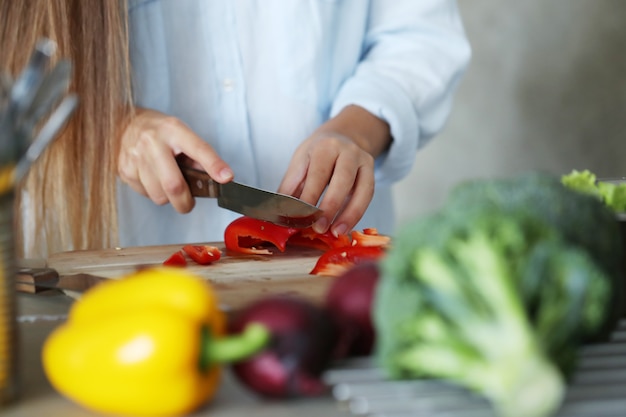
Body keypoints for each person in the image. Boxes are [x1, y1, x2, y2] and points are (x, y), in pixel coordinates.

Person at [1, 0, 470, 258]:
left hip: (332, 269)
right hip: (124, 272)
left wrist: (355, 129)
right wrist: (114, 129)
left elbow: (419, 35)